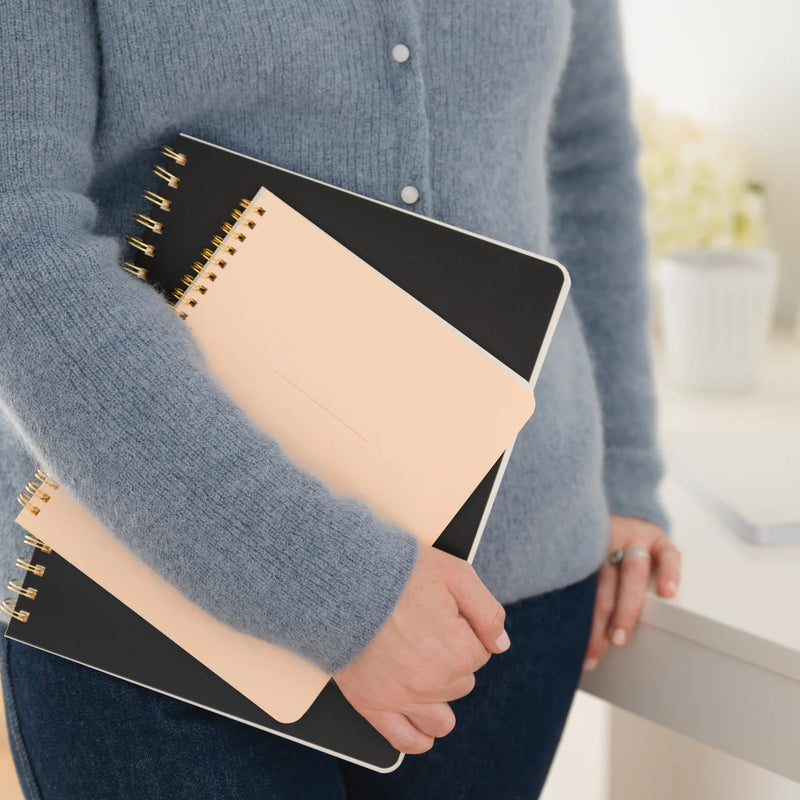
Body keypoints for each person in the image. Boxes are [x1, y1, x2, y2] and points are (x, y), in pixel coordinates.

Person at [0, 1, 682, 798]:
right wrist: (337, 590)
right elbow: (18, 247)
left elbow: (584, 147)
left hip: (509, 598)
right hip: (155, 602)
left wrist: (626, 468)